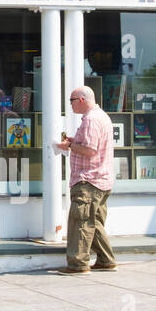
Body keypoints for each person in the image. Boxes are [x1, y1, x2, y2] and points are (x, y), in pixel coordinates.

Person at [53, 86, 117, 274]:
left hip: (89, 180)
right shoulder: (101, 117)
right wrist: (74, 141)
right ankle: (106, 260)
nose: (70, 104)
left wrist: (70, 145)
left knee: (80, 223)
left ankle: (78, 264)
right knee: (93, 223)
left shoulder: (91, 120)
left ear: (81, 100)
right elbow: (91, 145)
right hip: (100, 180)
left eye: (71, 100)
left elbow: (90, 150)